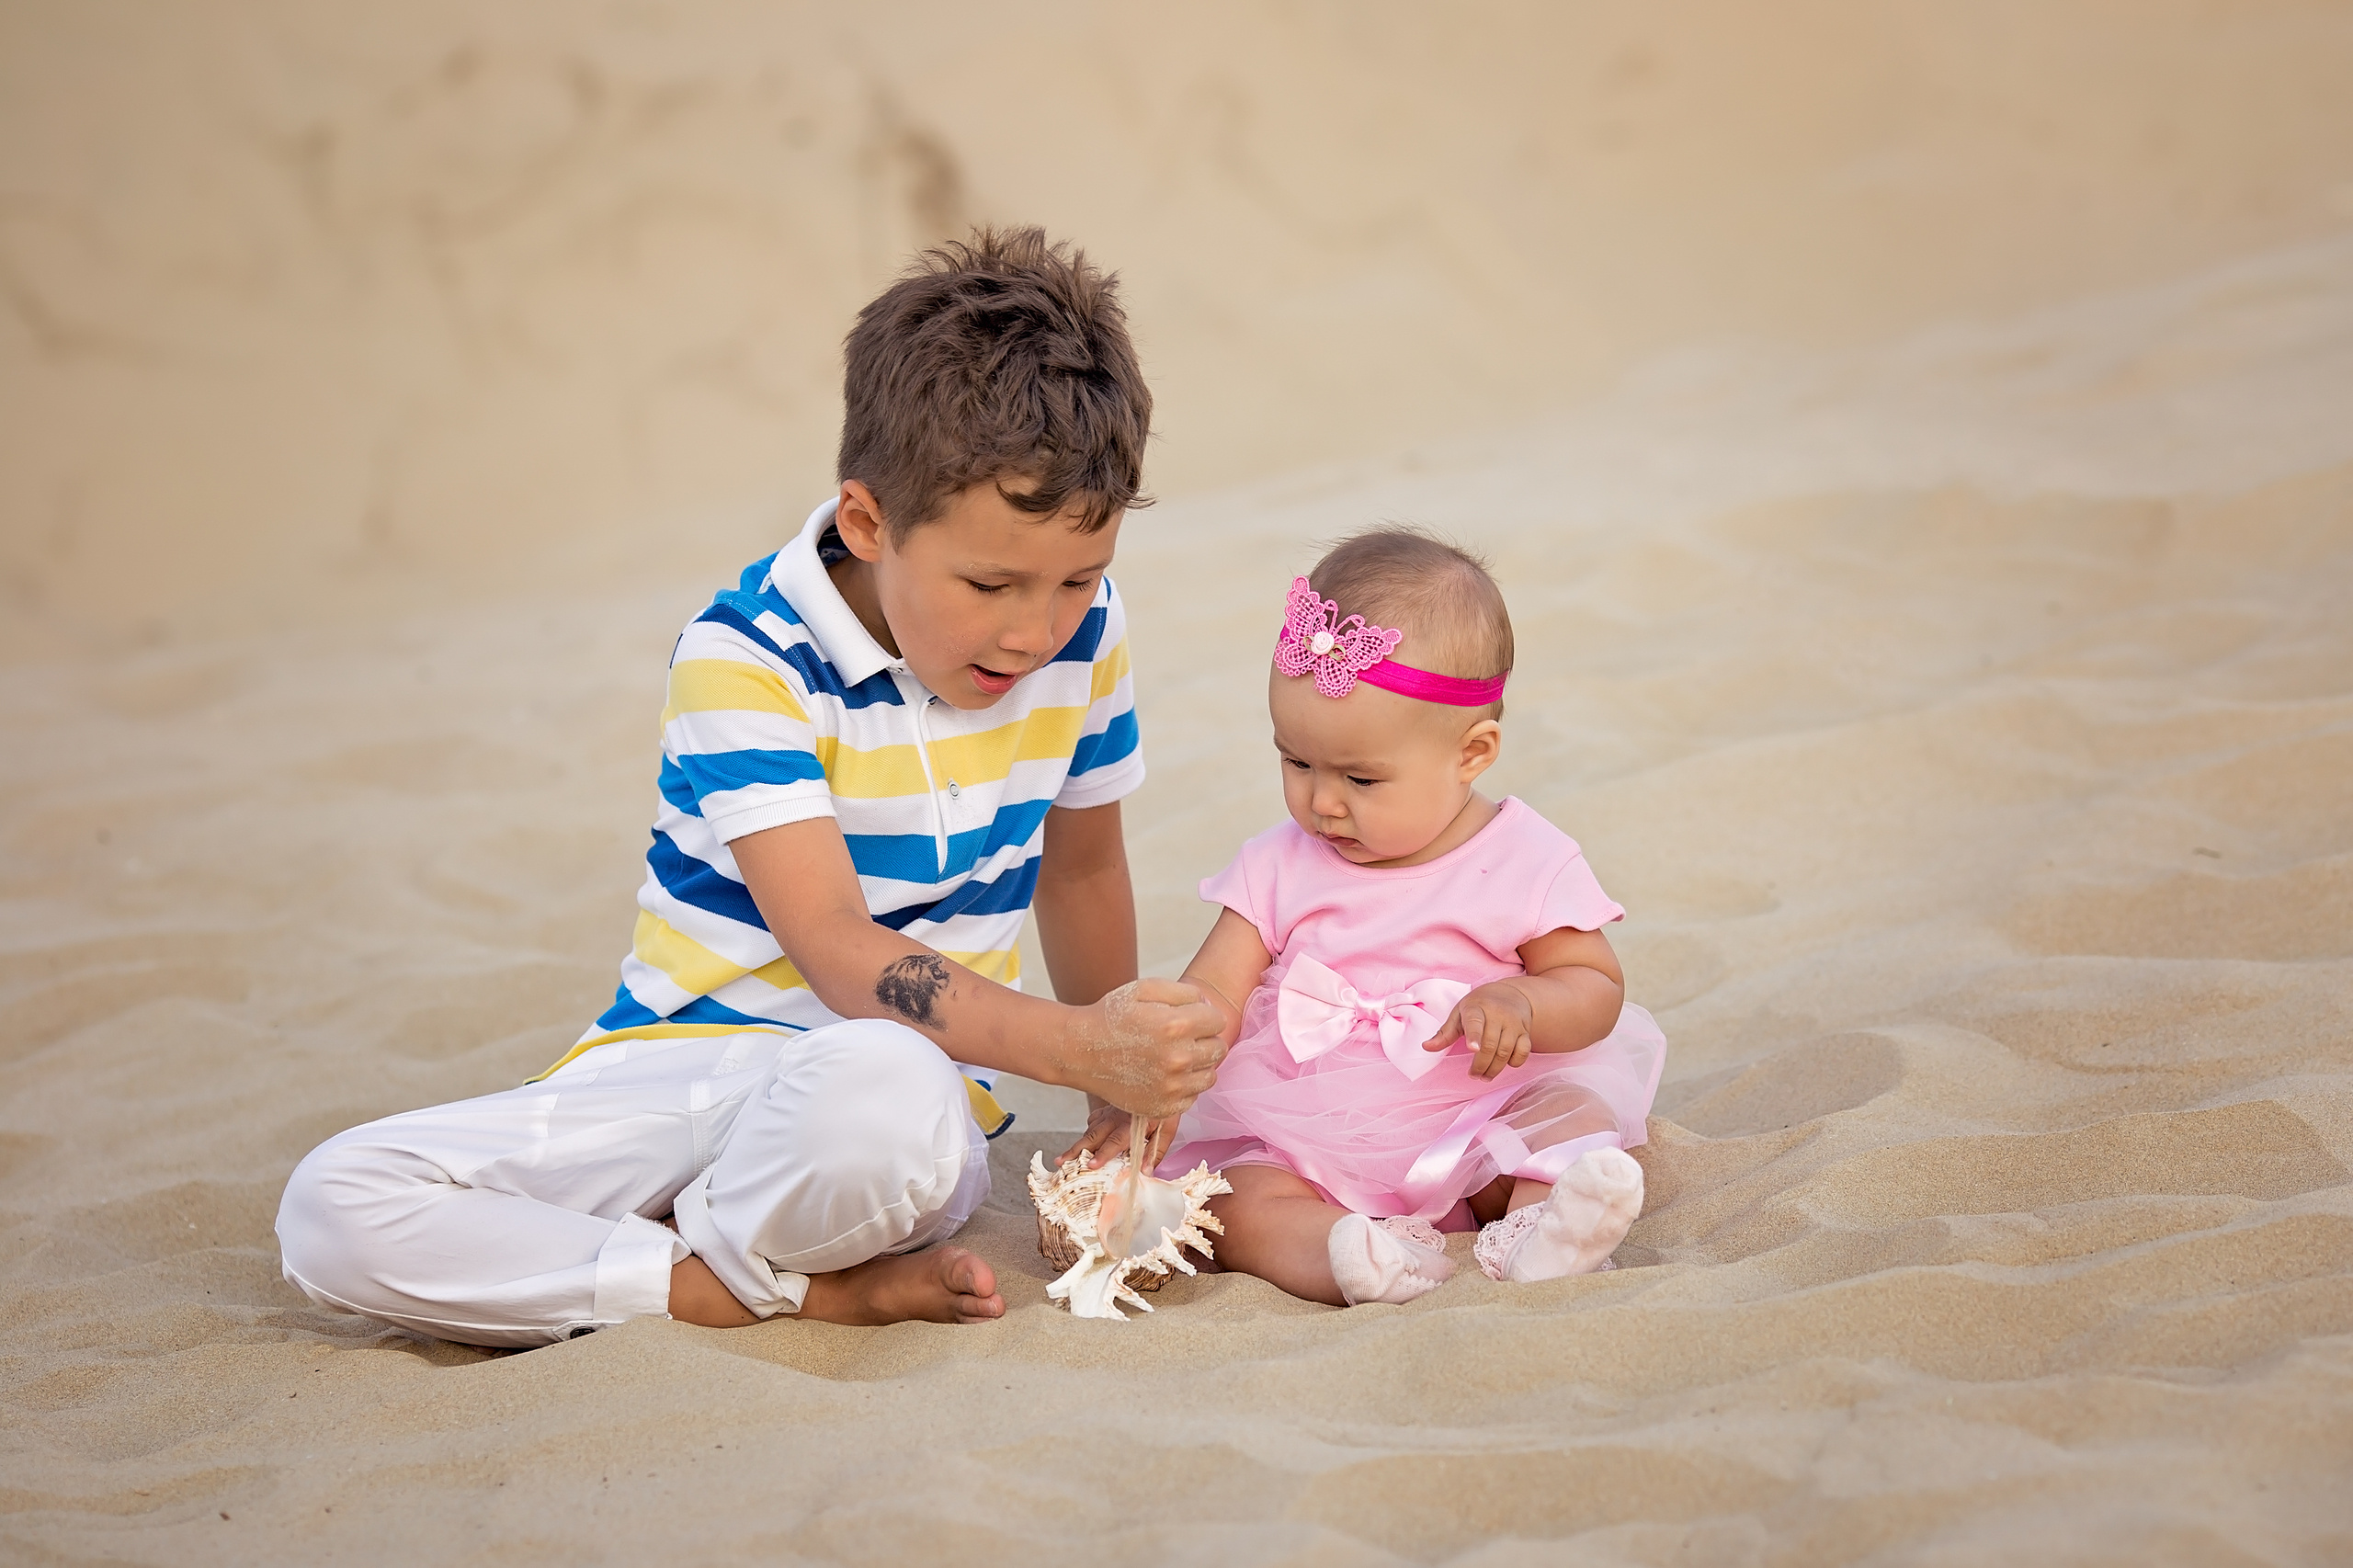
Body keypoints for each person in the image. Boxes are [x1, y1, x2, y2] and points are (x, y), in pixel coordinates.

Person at [276, 228, 1226, 1346]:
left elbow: (1081, 868)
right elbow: (833, 943)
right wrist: (1073, 1044)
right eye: (989, 583)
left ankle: (652, 1260)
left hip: (887, 1113)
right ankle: (760, 1286)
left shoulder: (1086, 634)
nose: (1035, 629)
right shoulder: (745, 655)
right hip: (677, 1069)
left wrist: (1114, 1087)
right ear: (868, 523)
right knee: (334, 1204)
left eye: (1079, 578)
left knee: (891, 1091)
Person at [1068, 529, 1665, 1307]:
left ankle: (1542, 1230)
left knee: (1570, 1118)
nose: (1322, 801)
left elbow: (1594, 983)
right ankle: (1349, 1254)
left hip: (1474, 1108)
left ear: (1472, 752)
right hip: (1308, 1130)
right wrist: (1165, 1058)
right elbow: (1215, 989)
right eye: (1296, 761)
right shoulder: (1276, 864)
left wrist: (1524, 1003)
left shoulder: (1524, 856)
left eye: (1361, 778)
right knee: (1236, 1201)